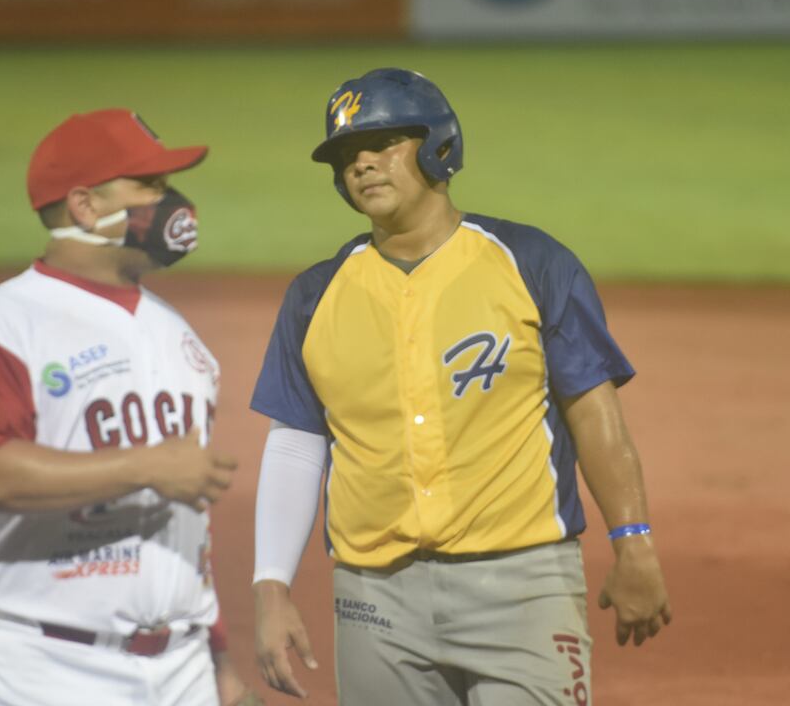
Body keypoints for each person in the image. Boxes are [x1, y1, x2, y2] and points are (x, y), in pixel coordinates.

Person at [249, 68, 671, 704]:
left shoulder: (530, 263)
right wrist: (271, 586)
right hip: (373, 599)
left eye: (381, 142)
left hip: (524, 586)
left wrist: (633, 543)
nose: (361, 164)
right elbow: (295, 444)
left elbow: (592, 411)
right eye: (345, 156)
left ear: (436, 145)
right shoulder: (315, 296)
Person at [0, 109, 261, 706]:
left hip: (184, 665)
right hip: (52, 668)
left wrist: (218, 658)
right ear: (84, 206)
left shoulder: (181, 338)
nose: (172, 203)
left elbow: (188, 524)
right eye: (149, 186)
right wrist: (144, 466)